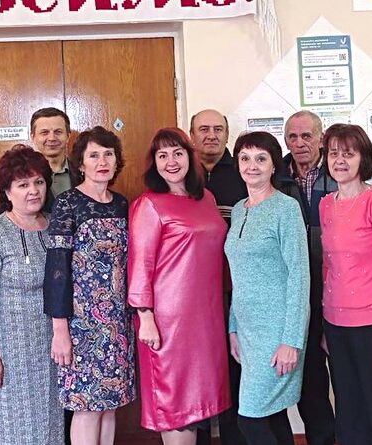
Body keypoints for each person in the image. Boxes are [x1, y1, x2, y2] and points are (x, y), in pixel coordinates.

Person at [127, 128, 230, 444]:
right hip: (168, 323)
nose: (171, 162)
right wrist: (145, 316)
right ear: (154, 163)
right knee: (176, 406)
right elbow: (140, 264)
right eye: (162, 155)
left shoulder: (207, 198)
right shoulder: (149, 204)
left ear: (189, 156)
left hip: (207, 318)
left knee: (200, 405)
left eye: (177, 153)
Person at [44, 126, 136, 445]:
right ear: (81, 164)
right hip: (81, 323)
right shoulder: (68, 204)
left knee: (110, 404)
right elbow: (56, 269)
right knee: (86, 406)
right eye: (94, 155)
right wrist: (60, 330)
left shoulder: (122, 204)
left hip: (118, 321)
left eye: (108, 154)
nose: (102, 161)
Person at [0, 145, 64, 444]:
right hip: (11, 353)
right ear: (7, 192)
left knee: (52, 427)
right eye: (23, 185)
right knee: (13, 431)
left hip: (54, 348)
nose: (33, 191)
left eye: (38, 182)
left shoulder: (56, 227)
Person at [319, 124, 372, 444]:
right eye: (333, 153)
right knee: (349, 416)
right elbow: (329, 266)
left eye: (348, 153)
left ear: (363, 158)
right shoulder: (326, 204)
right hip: (335, 326)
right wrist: (326, 328)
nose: (340, 160)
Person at [224, 131, 310, 445]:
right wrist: (233, 327)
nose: (252, 166)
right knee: (272, 416)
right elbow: (239, 275)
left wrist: (291, 341)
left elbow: (299, 276)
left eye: (261, 159)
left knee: (250, 420)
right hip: (248, 332)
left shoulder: (286, 209)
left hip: (278, 332)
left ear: (274, 165)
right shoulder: (238, 209)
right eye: (245, 158)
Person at [189, 109, 247, 445]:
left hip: (236, 290)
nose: (211, 135)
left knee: (235, 370)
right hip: (193, 294)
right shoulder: (180, 173)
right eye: (203, 129)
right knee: (198, 373)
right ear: (192, 135)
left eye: (218, 129)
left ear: (227, 134)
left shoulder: (242, 171)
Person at [281, 110, 336, 445]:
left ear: (321, 137)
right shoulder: (276, 177)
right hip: (299, 296)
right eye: (293, 136)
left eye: (307, 135)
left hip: (340, 292)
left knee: (348, 380)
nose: (300, 143)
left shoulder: (339, 171)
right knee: (311, 383)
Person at [30, 107, 76, 213]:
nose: (52, 138)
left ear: (68, 136)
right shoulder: (18, 177)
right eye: (44, 132)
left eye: (58, 132)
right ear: (33, 137)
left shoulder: (84, 173)